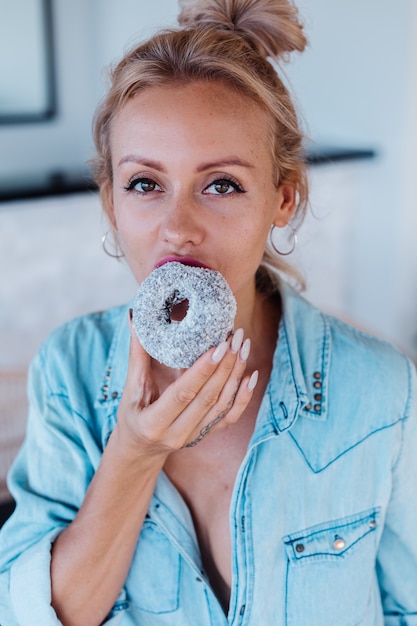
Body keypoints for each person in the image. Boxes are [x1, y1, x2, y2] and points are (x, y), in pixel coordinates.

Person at [1, 0, 417, 624]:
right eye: (145, 184)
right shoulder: (69, 372)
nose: (178, 228)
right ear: (112, 203)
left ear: (282, 198)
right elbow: (32, 615)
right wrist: (136, 451)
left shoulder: (382, 389)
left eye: (221, 184)